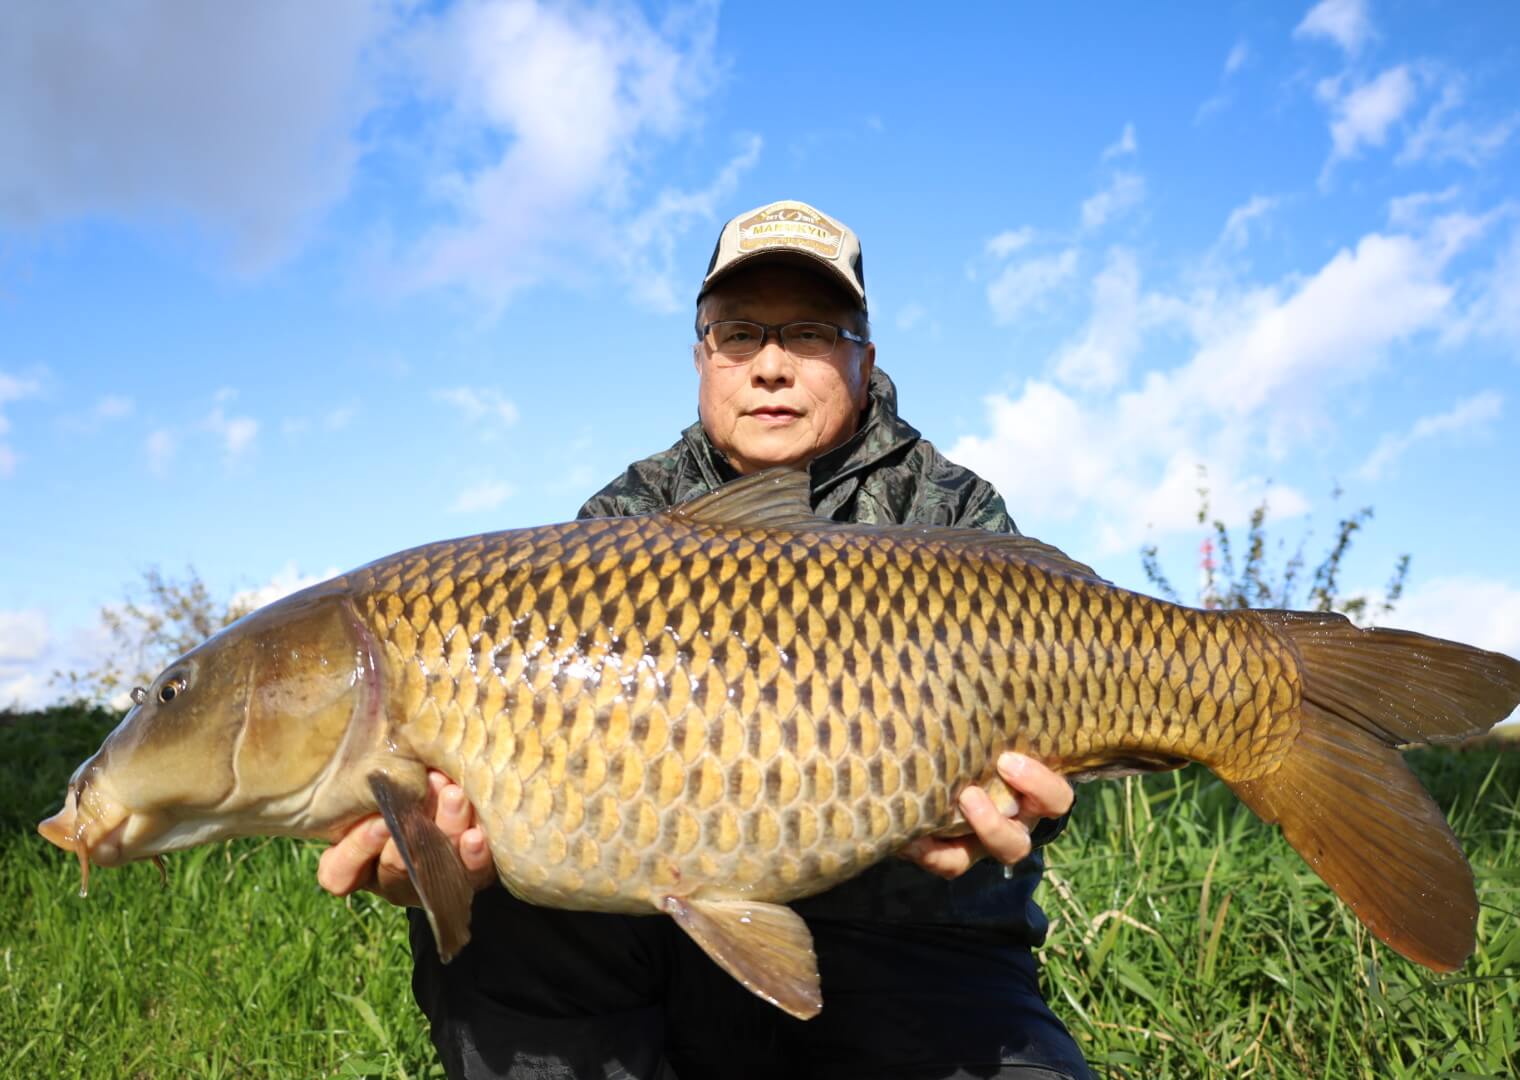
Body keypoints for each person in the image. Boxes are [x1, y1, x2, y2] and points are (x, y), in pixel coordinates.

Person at [318, 199, 1095, 1079]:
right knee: (513, 917)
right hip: (660, 946)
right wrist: (441, 862)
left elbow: (1055, 781)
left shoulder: (950, 516)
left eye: (809, 332)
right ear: (702, 359)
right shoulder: (624, 523)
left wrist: (1026, 813)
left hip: (915, 946)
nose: (770, 366)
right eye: (738, 334)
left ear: (863, 358)